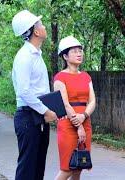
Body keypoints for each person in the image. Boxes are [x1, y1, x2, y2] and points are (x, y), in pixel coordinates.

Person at [11, 10, 58, 180]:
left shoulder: (37, 54)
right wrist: (46, 111)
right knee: (27, 167)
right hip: (28, 116)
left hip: (38, 116)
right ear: (36, 31)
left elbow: (40, 89)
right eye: (41, 24)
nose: (44, 26)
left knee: (38, 166)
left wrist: (47, 111)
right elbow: (24, 91)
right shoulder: (24, 56)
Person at [54, 36, 96, 180]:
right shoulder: (60, 77)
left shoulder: (86, 76)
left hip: (85, 121)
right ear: (65, 56)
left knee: (79, 166)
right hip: (68, 124)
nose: (79, 54)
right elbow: (65, 104)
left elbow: (92, 101)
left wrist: (83, 116)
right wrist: (79, 126)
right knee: (67, 168)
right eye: (75, 51)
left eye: (80, 51)